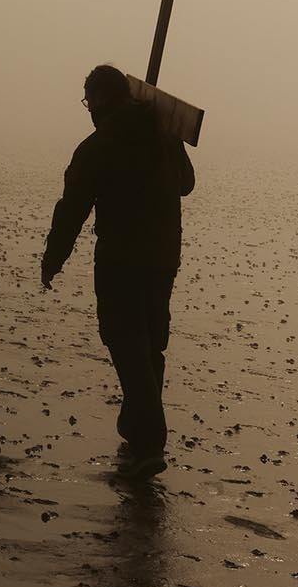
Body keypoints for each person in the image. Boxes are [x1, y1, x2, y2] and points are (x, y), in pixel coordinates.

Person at [41, 64, 197, 476]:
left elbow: (72, 209)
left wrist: (52, 259)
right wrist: (176, 144)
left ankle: (149, 442)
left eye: (89, 102)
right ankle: (136, 427)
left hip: (121, 260)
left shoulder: (99, 146)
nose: (88, 109)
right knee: (149, 345)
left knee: (126, 343)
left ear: (99, 101)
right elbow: (185, 183)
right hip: (163, 258)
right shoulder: (163, 136)